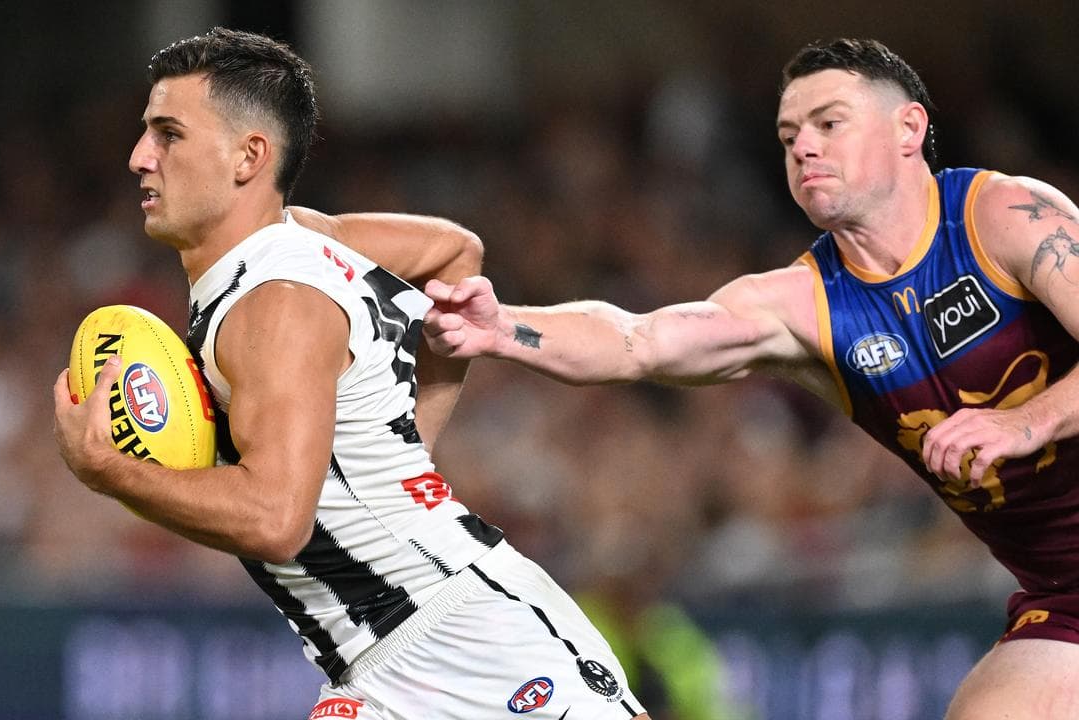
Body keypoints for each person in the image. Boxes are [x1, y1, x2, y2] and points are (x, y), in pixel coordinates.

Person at [422, 37, 1079, 719]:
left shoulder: (999, 217)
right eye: (789, 135)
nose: (803, 148)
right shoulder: (802, 307)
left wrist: (1023, 421)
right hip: (1064, 598)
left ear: (909, 128)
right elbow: (637, 340)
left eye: (829, 123)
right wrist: (504, 329)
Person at [52, 27, 648, 719]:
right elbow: (453, 252)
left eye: (168, 134)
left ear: (249, 156)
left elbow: (276, 520)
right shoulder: (302, 241)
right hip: (377, 658)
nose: (138, 158)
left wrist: (107, 469)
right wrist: (403, 450)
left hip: (472, 642)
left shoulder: (274, 303)